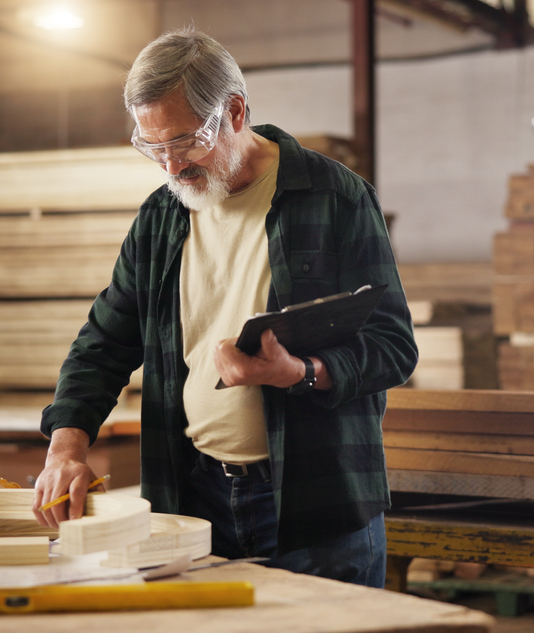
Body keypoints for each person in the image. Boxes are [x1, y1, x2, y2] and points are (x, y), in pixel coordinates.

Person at [32, 26, 417, 588]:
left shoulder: (336, 198)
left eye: (185, 141)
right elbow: (103, 343)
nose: (170, 166)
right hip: (193, 498)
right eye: (153, 146)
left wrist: (301, 373)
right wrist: (66, 445)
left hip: (316, 502)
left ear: (235, 112)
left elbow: (393, 347)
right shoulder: (161, 219)